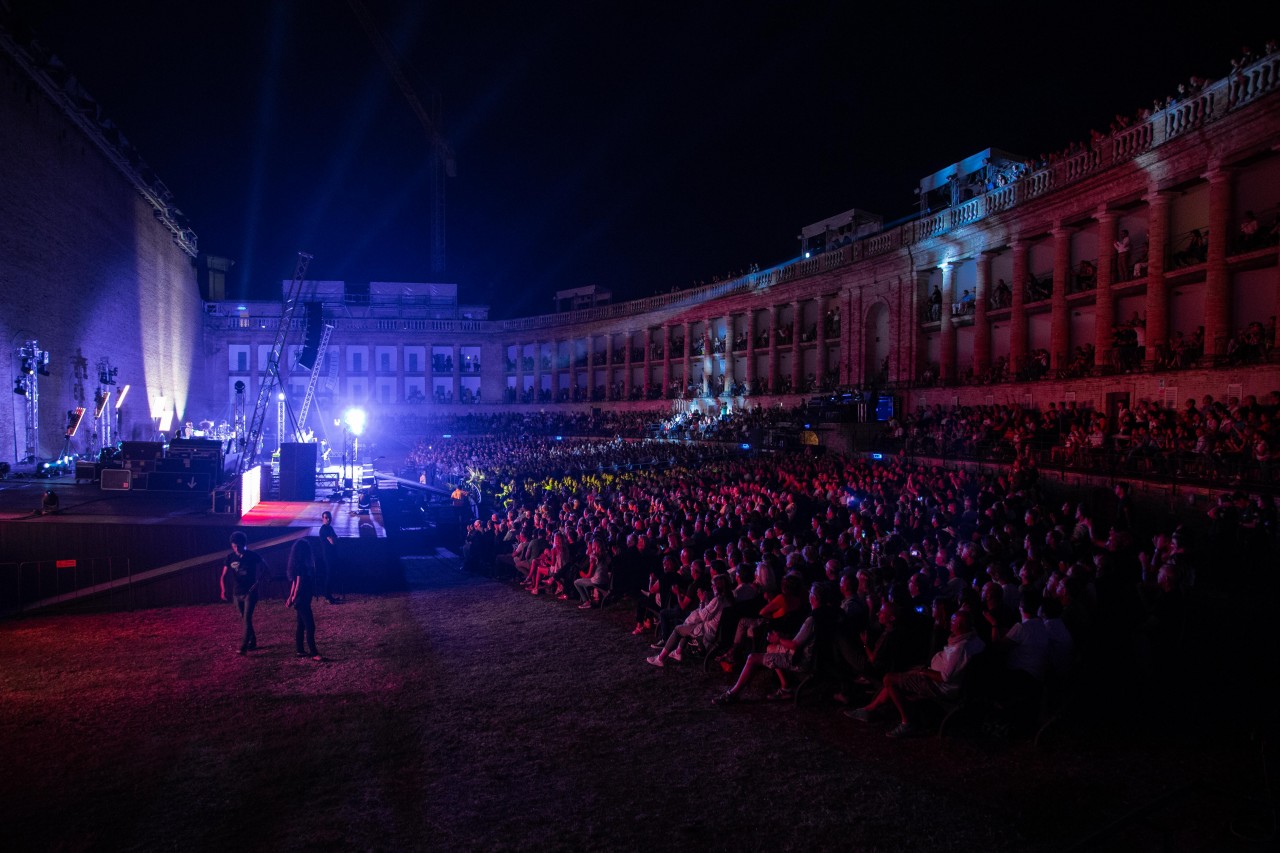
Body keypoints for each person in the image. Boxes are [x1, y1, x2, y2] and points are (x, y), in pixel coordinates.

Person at [220, 531, 267, 655]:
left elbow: (265, 568)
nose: (236, 549)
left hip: (250, 592)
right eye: (234, 546)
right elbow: (223, 575)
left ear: (244, 544)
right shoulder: (230, 557)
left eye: (238, 546)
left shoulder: (252, 555)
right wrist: (223, 589)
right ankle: (253, 641)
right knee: (244, 618)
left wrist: (257, 582)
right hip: (237, 593)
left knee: (246, 618)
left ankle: (243, 646)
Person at [285, 539, 322, 660]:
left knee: (301, 624)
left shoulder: (297, 565)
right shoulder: (302, 566)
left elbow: (294, 583)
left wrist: (291, 598)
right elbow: (298, 585)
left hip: (300, 599)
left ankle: (300, 650)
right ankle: (314, 653)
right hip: (302, 599)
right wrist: (293, 598)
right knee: (310, 626)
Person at [317, 510, 340, 604]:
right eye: (326, 517)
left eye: (329, 517)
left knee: (331, 575)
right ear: (322, 519)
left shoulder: (329, 528)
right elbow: (333, 541)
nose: (328, 519)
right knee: (329, 575)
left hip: (332, 554)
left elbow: (335, 538)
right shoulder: (324, 529)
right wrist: (333, 539)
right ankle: (327, 597)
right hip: (327, 555)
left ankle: (329, 596)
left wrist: (334, 539)